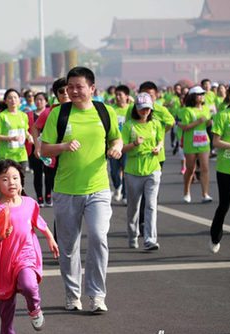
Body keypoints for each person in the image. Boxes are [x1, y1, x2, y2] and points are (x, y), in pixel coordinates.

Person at [40, 66, 122, 313]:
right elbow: (44, 149)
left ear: (92, 88)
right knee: (68, 246)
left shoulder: (105, 111)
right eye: (70, 87)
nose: (74, 91)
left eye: (79, 86)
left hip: (98, 188)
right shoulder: (59, 114)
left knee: (98, 237)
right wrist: (63, 146)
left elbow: (115, 138)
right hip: (66, 189)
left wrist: (116, 148)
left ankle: (97, 295)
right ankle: (72, 294)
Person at [0, 160, 58, 334]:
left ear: (22, 181)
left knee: (28, 284)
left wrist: (50, 237)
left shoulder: (30, 203)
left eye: (15, 178)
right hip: (6, 260)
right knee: (6, 302)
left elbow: (38, 221)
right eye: (5, 179)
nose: (12, 182)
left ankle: (34, 308)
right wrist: (1, 235)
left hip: (27, 254)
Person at [122, 93, 164, 251]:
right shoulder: (129, 126)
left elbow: (160, 139)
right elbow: (121, 147)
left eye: (147, 108)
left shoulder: (156, 124)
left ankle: (150, 239)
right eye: (142, 108)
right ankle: (133, 236)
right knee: (133, 207)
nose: (145, 111)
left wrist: (158, 148)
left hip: (152, 169)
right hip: (133, 171)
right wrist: (134, 143)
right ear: (136, 109)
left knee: (151, 205)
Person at [210, 80, 230, 257]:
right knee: (224, 205)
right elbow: (216, 142)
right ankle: (215, 236)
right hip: (225, 167)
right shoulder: (224, 115)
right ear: (229, 95)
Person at [31, 78, 71, 207]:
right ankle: (46, 199)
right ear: (56, 94)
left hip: (74, 158)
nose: (65, 93)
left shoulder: (82, 110)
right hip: (53, 157)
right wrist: (37, 147)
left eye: (67, 89)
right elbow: (35, 128)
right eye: (61, 91)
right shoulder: (49, 112)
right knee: (58, 191)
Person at [180, 86, 213, 203]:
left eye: (202, 94)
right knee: (190, 169)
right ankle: (186, 191)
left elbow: (208, 123)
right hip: (190, 143)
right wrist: (198, 122)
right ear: (193, 97)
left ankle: (205, 194)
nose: (202, 96)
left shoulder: (206, 109)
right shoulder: (187, 111)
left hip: (204, 141)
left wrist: (209, 123)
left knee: (205, 167)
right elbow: (184, 127)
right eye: (199, 94)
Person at [0, 89, 32, 169]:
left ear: (19, 100)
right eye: (10, 98)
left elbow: (25, 131)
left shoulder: (23, 115)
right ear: (5, 101)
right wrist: (10, 138)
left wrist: (29, 137)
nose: (13, 100)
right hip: (6, 156)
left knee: (21, 180)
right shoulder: (2, 116)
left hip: (21, 155)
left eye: (15, 97)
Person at [110, 84, 131, 203]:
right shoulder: (111, 109)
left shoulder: (131, 109)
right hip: (113, 144)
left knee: (126, 169)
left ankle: (125, 195)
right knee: (114, 170)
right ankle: (118, 186)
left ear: (127, 96)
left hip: (126, 145)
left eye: (120, 95)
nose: (117, 97)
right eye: (116, 95)